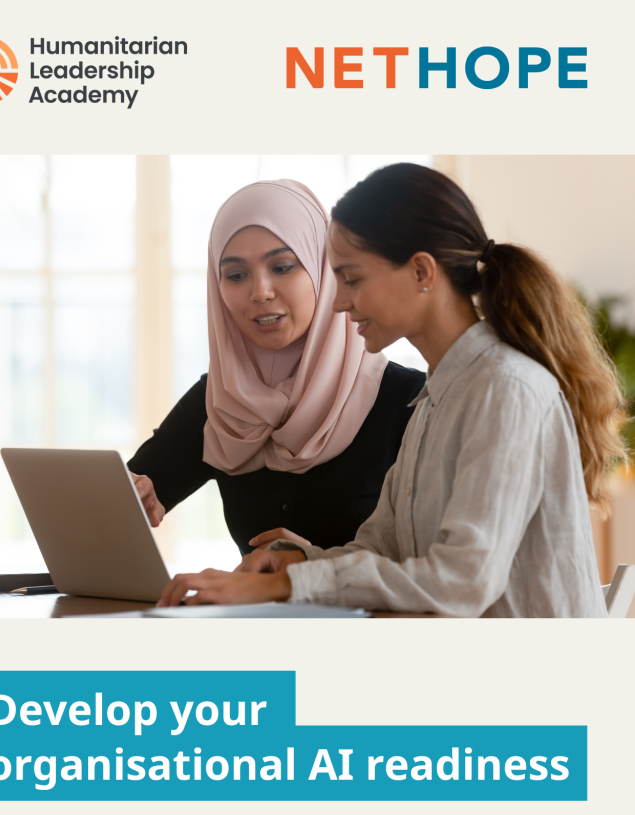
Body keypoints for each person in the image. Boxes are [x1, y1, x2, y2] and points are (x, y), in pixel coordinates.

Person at [157, 163, 627, 617]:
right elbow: (382, 545)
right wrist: (299, 562)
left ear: (422, 272)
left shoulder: (506, 389)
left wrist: (288, 585)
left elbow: (463, 581)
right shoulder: (435, 398)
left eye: (352, 278)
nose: (338, 301)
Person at [128, 179, 425, 555]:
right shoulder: (220, 400)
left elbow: (436, 566)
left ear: (325, 271)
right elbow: (132, 490)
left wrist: (313, 568)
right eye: (236, 275)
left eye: (283, 267)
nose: (260, 292)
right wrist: (131, 495)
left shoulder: (411, 402)